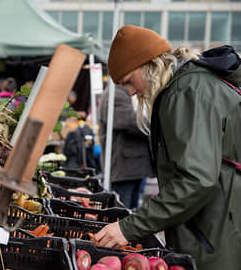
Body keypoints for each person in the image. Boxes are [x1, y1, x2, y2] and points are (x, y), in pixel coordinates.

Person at [93, 25, 241, 270]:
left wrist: (129, 227)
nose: (130, 91)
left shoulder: (185, 91)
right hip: (218, 226)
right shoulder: (192, 84)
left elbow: (196, 179)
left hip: (215, 234)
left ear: (148, 64)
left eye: (129, 81)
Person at [98, 84, 155, 209]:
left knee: (128, 209)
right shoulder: (115, 94)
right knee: (121, 210)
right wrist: (155, 126)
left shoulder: (119, 94)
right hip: (125, 168)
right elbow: (129, 121)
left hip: (130, 168)